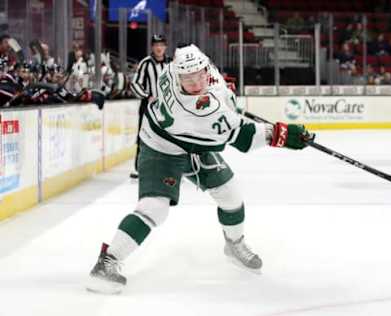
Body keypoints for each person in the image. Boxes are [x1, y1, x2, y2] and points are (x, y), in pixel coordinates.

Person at [86, 44, 313, 294]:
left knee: (230, 195)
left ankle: (234, 244)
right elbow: (242, 137)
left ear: (204, 67)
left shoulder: (175, 67)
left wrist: (223, 93)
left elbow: (215, 90)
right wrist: (281, 134)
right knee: (155, 208)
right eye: (188, 78)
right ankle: (108, 262)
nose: (194, 82)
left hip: (192, 141)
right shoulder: (193, 111)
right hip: (161, 147)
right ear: (178, 76)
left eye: (198, 75)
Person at [130, 34, 171, 179]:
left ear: (165, 46)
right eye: (156, 45)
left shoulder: (171, 64)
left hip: (168, 108)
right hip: (148, 107)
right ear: (152, 47)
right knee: (144, 135)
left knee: (169, 137)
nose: (159, 48)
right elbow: (135, 83)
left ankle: (168, 168)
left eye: (161, 45)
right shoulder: (145, 63)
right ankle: (139, 167)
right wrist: (147, 96)